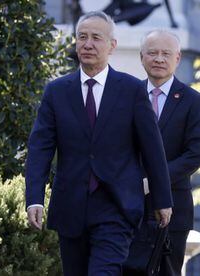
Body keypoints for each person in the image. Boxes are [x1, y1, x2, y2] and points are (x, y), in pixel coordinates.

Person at [25, 11, 173, 275]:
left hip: (116, 206)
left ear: (112, 45)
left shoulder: (131, 90)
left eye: (96, 37)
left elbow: (153, 149)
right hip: (71, 206)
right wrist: (34, 198)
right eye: (82, 37)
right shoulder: (57, 91)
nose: (88, 44)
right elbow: (40, 148)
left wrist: (162, 199)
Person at [140, 29, 200, 276]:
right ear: (141, 57)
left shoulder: (192, 100)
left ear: (177, 58)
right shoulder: (127, 96)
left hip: (174, 207)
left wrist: (154, 183)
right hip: (130, 205)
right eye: (153, 53)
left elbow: (194, 155)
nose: (159, 59)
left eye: (166, 53)